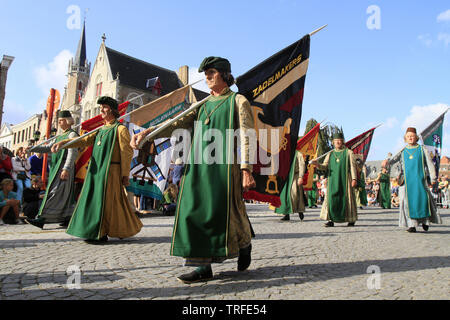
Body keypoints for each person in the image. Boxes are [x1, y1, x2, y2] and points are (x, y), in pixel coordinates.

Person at [131, 56, 255, 284]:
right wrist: (146, 133)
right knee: (191, 211)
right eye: (205, 73)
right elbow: (174, 124)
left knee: (230, 213)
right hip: (197, 166)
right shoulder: (200, 105)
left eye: (211, 72)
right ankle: (202, 267)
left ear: (225, 75)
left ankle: (244, 243)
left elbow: (248, 137)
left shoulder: (238, 101)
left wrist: (246, 169)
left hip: (225, 169)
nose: (206, 77)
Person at [52, 96, 143, 243]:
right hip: (95, 172)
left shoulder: (120, 130)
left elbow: (126, 153)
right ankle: (113, 229)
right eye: (101, 107)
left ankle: (101, 233)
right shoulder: (100, 130)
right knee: (98, 201)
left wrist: (125, 174)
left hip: (111, 172)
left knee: (106, 202)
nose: (101, 109)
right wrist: (64, 143)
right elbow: (83, 140)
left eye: (105, 107)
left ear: (113, 110)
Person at [25, 111, 79, 229]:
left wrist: (66, 168)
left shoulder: (72, 135)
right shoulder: (59, 137)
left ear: (67, 120)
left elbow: (72, 152)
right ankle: (67, 217)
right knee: (62, 193)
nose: (59, 123)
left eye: (61, 120)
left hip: (64, 167)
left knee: (56, 192)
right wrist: (33, 148)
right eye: (59, 121)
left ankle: (43, 218)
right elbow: (47, 148)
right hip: (56, 168)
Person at [398, 127, 442, 233]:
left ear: (416, 137)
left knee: (422, 201)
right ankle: (412, 225)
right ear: (405, 138)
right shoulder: (403, 152)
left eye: (412, 136)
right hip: (408, 182)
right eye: (408, 136)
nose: (410, 138)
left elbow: (430, 164)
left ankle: (425, 222)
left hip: (420, 180)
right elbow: (400, 166)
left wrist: (433, 177)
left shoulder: (422, 149)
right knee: (407, 203)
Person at [311, 132, 358, 227]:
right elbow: (324, 166)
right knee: (331, 199)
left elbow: (353, 167)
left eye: (340, 141)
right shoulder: (330, 154)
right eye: (336, 141)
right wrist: (317, 164)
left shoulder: (349, 153)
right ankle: (330, 219)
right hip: (332, 180)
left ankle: (350, 219)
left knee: (347, 198)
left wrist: (354, 178)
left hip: (345, 180)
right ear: (333, 142)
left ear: (343, 141)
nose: (338, 142)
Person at [276, 149, 306, 221]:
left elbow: (302, 165)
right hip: (285, 177)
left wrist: (300, 176)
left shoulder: (298, 153)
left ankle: (300, 210)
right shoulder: (283, 153)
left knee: (294, 194)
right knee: (284, 195)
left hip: (294, 176)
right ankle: (286, 213)